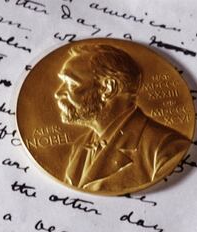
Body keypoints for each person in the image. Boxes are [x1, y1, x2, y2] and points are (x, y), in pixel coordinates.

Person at [54, 43, 189, 193]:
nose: (58, 93)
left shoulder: (166, 149)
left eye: (71, 84)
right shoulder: (80, 146)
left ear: (108, 88)